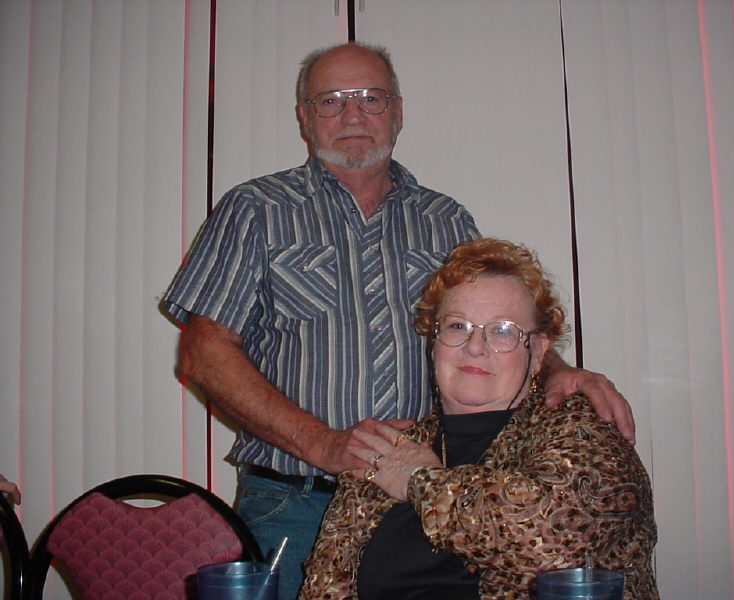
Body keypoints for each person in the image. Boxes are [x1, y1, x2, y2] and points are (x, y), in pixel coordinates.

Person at [162, 42, 635, 599]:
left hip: (429, 497)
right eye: (331, 100)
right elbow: (204, 354)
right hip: (294, 501)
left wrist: (557, 370)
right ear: (305, 117)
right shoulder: (255, 209)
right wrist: (325, 446)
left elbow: (494, 322)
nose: (352, 114)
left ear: (399, 111)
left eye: (371, 97)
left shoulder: (446, 219)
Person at [300, 238, 659, 600]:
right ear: (433, 340)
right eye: (458, 326)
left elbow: (548, 541)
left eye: (502, 330)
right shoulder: (390, 449)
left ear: (538, 352)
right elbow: (325, 583)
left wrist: (420, 481)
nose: (474, 346)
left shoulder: (582, 429)